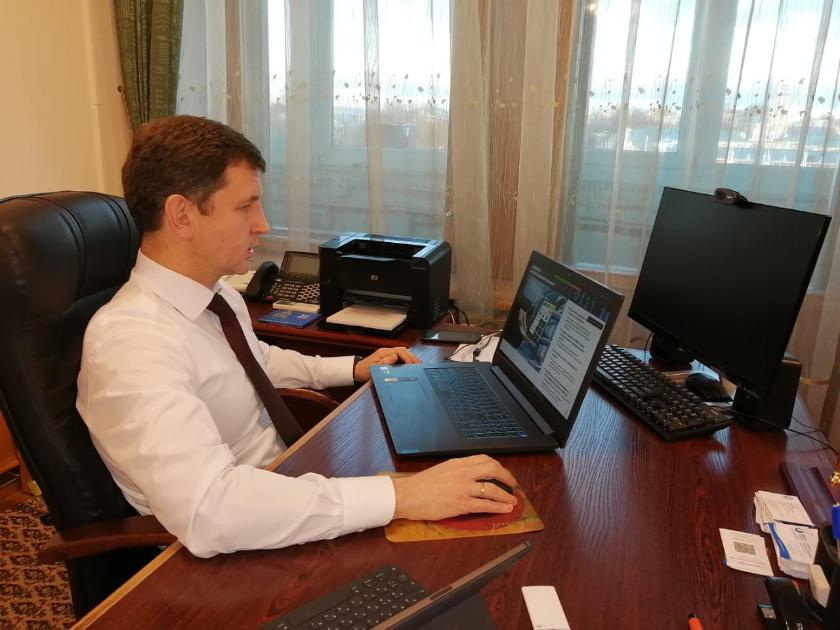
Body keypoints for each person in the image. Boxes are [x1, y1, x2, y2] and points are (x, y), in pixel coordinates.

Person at [76, 115, 518, 558]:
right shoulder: (131, 344)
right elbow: (212, 510)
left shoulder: (215, 296)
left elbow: (255, 360)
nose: (263, 224)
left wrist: (352, 368)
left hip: (284, 491)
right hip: (225, 546)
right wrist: (403, 496)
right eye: (245, 206)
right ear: (182, 215)